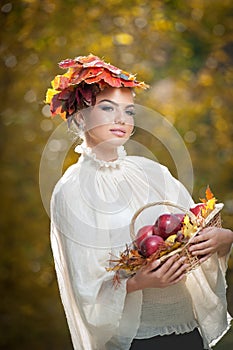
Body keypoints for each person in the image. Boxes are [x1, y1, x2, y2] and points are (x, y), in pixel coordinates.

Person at [45, 54, 233, 350]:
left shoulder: (153, 172)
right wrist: (138, 282)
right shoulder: (71, 189)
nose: (121, 119)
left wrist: (222, 240)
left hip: (186, 330)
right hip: (136, 340)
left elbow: (190, 234)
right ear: (80, 116)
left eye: (129, 111)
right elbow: (85, 286)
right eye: (107, 108)